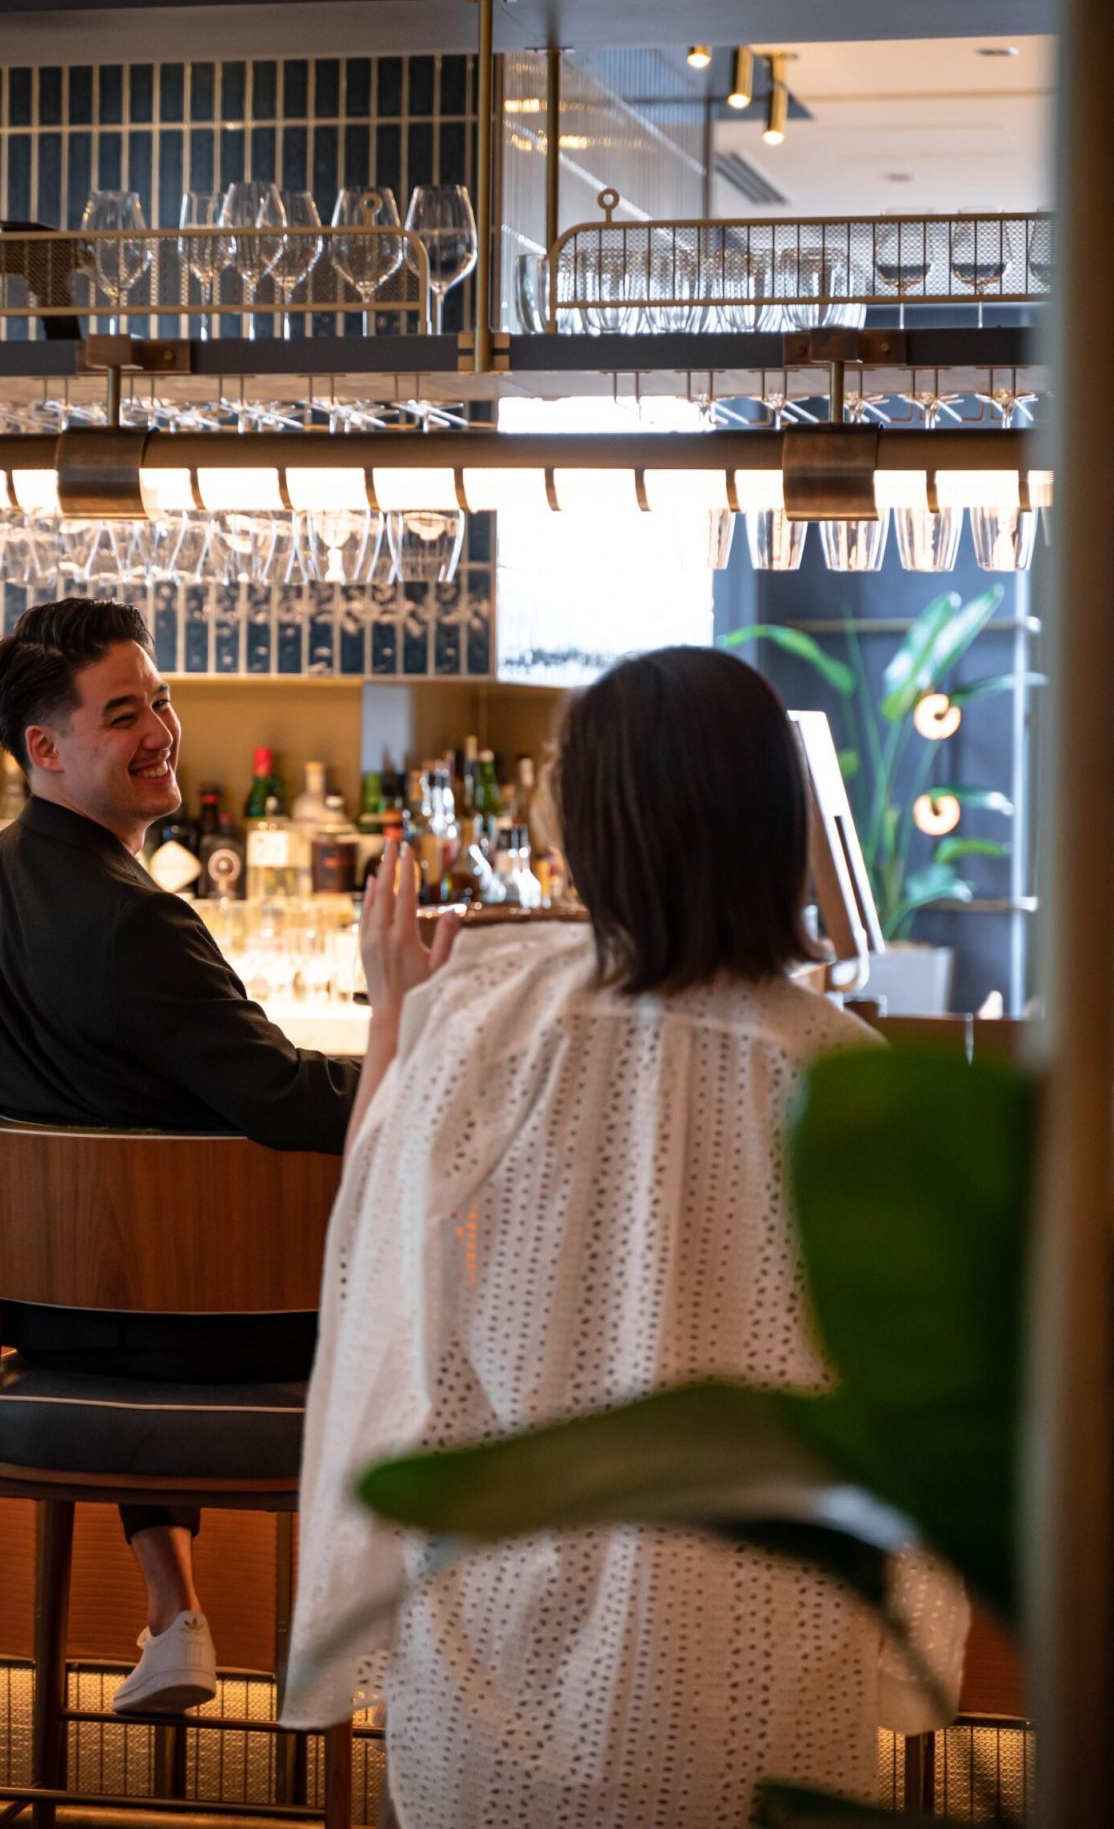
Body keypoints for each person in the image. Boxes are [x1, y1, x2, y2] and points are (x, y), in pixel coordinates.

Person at [282, 646, 968, 1828]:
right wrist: (911, 1658)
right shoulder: (851, 1073)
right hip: (764, 1668)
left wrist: (395, 1008)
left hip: (493, 1642)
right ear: (776, 823)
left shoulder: (491, 1022)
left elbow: (381, 1297)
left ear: (592, 822)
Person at [0, 598, 359, 1716]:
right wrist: (415, 1046)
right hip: (220, 1330)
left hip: (54, 1326)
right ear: (45, 749)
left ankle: (174, 1611)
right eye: (123, 712)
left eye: (160, 698)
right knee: (420, 1287)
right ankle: (423, 1680)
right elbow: (287, 1099)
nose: (161, 728)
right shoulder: (139, 917)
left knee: (139, 1265)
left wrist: (56, 1092)